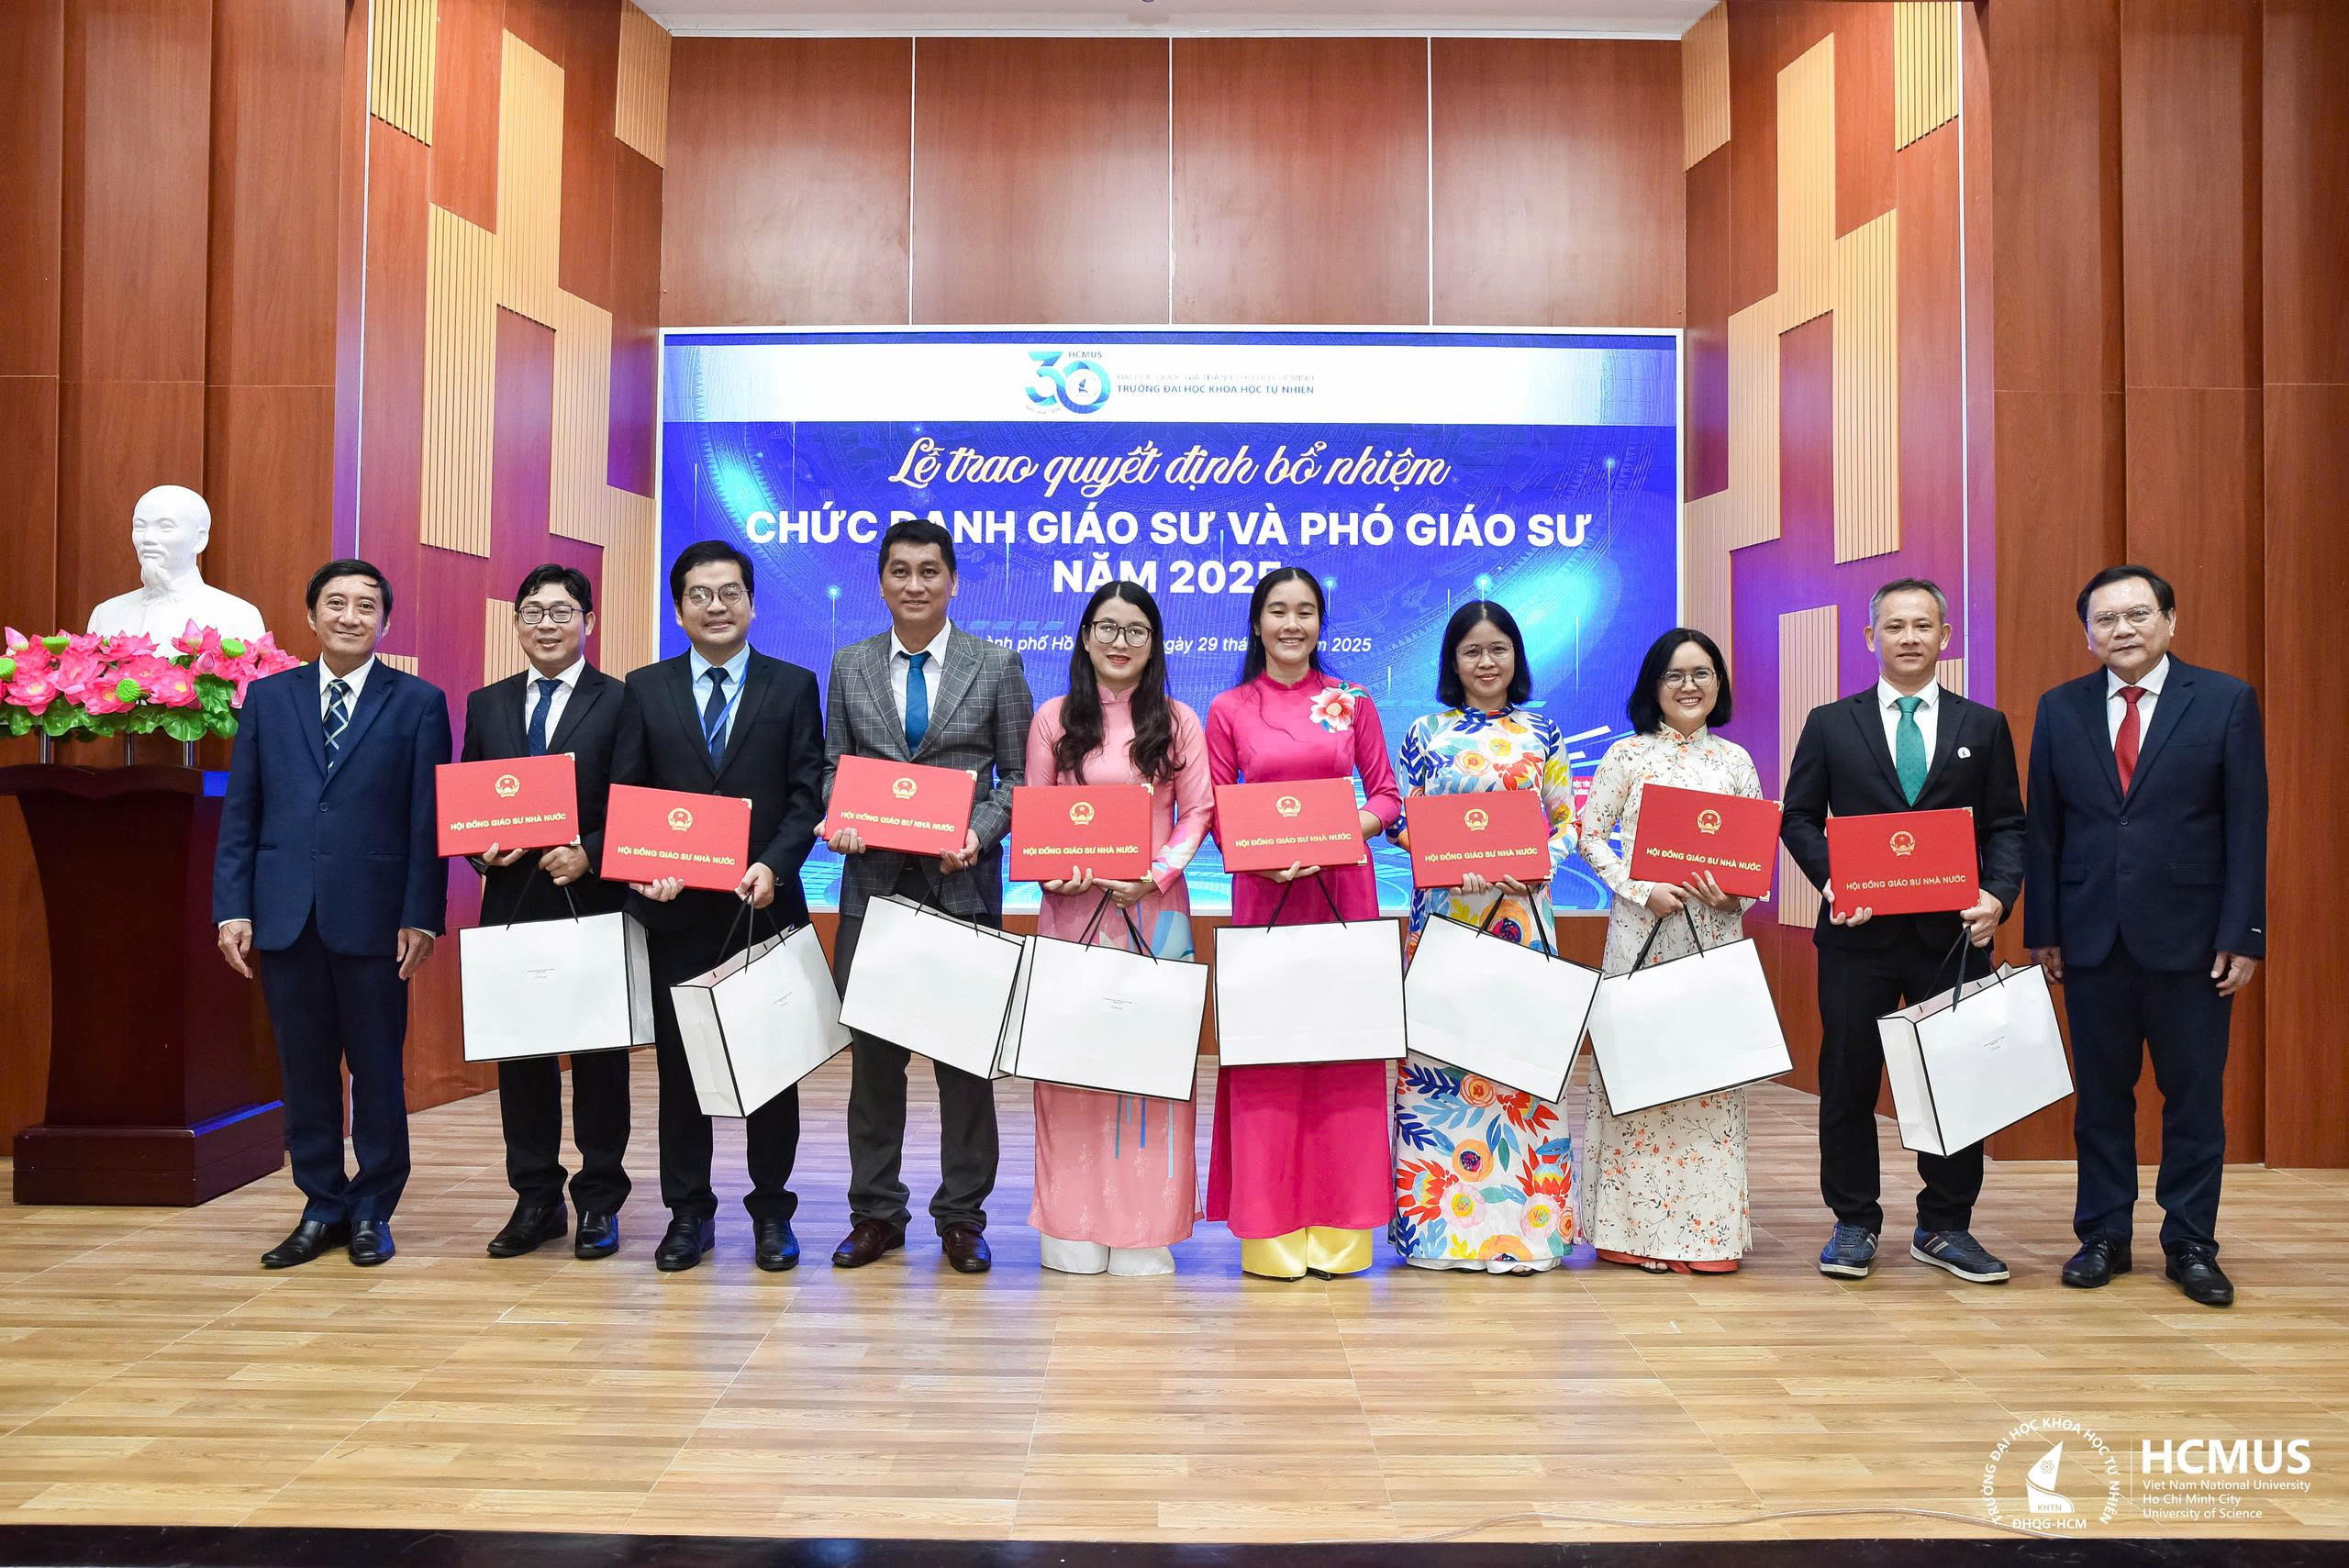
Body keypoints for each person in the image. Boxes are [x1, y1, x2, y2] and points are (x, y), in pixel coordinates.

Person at [2026, 565, 2266, 1308]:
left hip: (2194, 940)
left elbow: (2247, 823)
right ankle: (2103, 1234)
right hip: (2090, 935)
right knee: (2101, 1098)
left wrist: (2244, 931)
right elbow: (2045, 827)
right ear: (2087, 635)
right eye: (2105, 619)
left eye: (2137, 614)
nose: (2122, 629)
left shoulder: (2224, 700)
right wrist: (2044, 929)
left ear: (2170, 621)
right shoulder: (2060, 708)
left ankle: (2191, 1242)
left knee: (2193, 1098)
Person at [1781, 577, 2025, 1284]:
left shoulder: (1984, 725)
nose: (1909, 637)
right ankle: (1854, 1221)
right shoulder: (1831, 722)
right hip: (1857, 937)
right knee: (1849, 1081)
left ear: (1945, 636)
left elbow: (2009, 825)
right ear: (1871, 638)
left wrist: (1998, 896)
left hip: (1953, 939)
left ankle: (1945, 1224)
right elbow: (1799, 816)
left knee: (1954, 1081)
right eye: (1895, 626)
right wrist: (1832, 880)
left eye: (1923, 625)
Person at [213, 560, 450, 1268]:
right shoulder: (268, 698)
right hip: (286, 915)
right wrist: (233, 906)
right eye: (337, 603)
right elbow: (242, 810)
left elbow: (427, 820)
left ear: (385, 621)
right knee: (304, 1069)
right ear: (311, 616)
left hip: (376, 918)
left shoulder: (419, 702)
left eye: (366, 605)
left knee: (377, 1069)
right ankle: (321, 1202)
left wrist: (422, 914)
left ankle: (373, 1205)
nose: (351, 616)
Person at [825, 518, 1033, 1274]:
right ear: (881, 581)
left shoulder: (996, 663)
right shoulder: (849, 664)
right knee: (874, 1067)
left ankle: (962, 1218)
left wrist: (979, 831)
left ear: (952, 582)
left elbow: (1019, 778)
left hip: (962, 889)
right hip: (872, 890)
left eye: (929, 571)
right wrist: (841, 817)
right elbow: (833, 766)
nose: (915, 584)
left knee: (965, 1067)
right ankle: (876, 1213)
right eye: (900, 571)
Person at [611, 540, 826, 1273]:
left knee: (772, 1068)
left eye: (730, 592)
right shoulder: (645, 688)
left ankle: (772, 1212)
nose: (716, 605)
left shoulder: (792, 685)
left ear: (752, 603)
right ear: (678, 609)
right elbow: (630, 797)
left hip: (763, 909)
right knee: (681, 1072)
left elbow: (805, 795)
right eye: (699, 594)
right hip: (676, 915)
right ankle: (688, 1213)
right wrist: (647, 869)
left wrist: (773, 864)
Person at [1204, 567, 1401, 1280]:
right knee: (1270, 1055)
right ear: (1257, 622)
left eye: (1306, 611)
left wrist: (1343, 831)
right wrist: (1265, 856)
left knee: (1345, 1054)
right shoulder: (1228, 708)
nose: (1292, 624)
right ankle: (1271, 1231)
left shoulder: (1352, 701)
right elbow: (1218, 810)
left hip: (1343, 891)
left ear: (1321, 622)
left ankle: (1343, 1231)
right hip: (1266, 896)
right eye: (1278, 611)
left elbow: (1386, 796)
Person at [1023, 581, 1213, 1275]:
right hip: (1072, 912)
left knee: (1148, 1067)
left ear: (1154, 643)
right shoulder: (1053, 718)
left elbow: (1198, 812)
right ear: (1085, 636)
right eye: (1107, 627)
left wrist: (1155, 874)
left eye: (1136, 630)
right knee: (1070, 1068)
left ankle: (1144, 1226)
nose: (1120, 641)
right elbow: (1036, 812)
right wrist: (1054, 873)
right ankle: (1071, 1222)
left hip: (1155, 914)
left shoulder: (1178, 720)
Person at [1386, 601, 1577, 1274]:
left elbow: (1567, 821)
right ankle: (1439, 1234)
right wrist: (1441, 859)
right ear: (1453, 660)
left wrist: (1538, 864)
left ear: (1515, 656)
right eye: (1472, 650)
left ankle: (1528, 1233)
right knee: (1442, 1069)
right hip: (1443, 921)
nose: (1487, 661)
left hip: (1521, 919)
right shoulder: (1424, 733)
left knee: (1519, 1069)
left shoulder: (1543, 731)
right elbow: (1399, 821)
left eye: (1498, 649)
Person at [1574, 628, 1763, 1274]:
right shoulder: (1626, 755)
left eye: (1702, 673)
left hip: (1713, 936)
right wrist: (1639, 888)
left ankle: (1705, 1237)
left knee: (1706, 1080)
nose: (1689, 685)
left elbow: (1752, 854)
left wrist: (1736, 897)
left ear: (1719, 684)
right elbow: (1590, 836)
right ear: (1653, 685)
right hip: (1641, 937)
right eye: (1674, 674)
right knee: (1639, 1073)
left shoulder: (1736, 761)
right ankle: (1629, 1232)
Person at [461, 564, 633, 1262]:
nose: (547, 624)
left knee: (598, 1060)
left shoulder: (621, 700)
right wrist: (480, 851)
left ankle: (599, 1200)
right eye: (532, 611)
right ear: (516, 623)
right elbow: (471, 800)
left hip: (592, 901)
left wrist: (591, 851)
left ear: (588, 621)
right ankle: (535, 1198)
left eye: (562, 611)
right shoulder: (486, 703)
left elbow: (637, 797)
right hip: (512, 904)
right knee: (522, 1058)